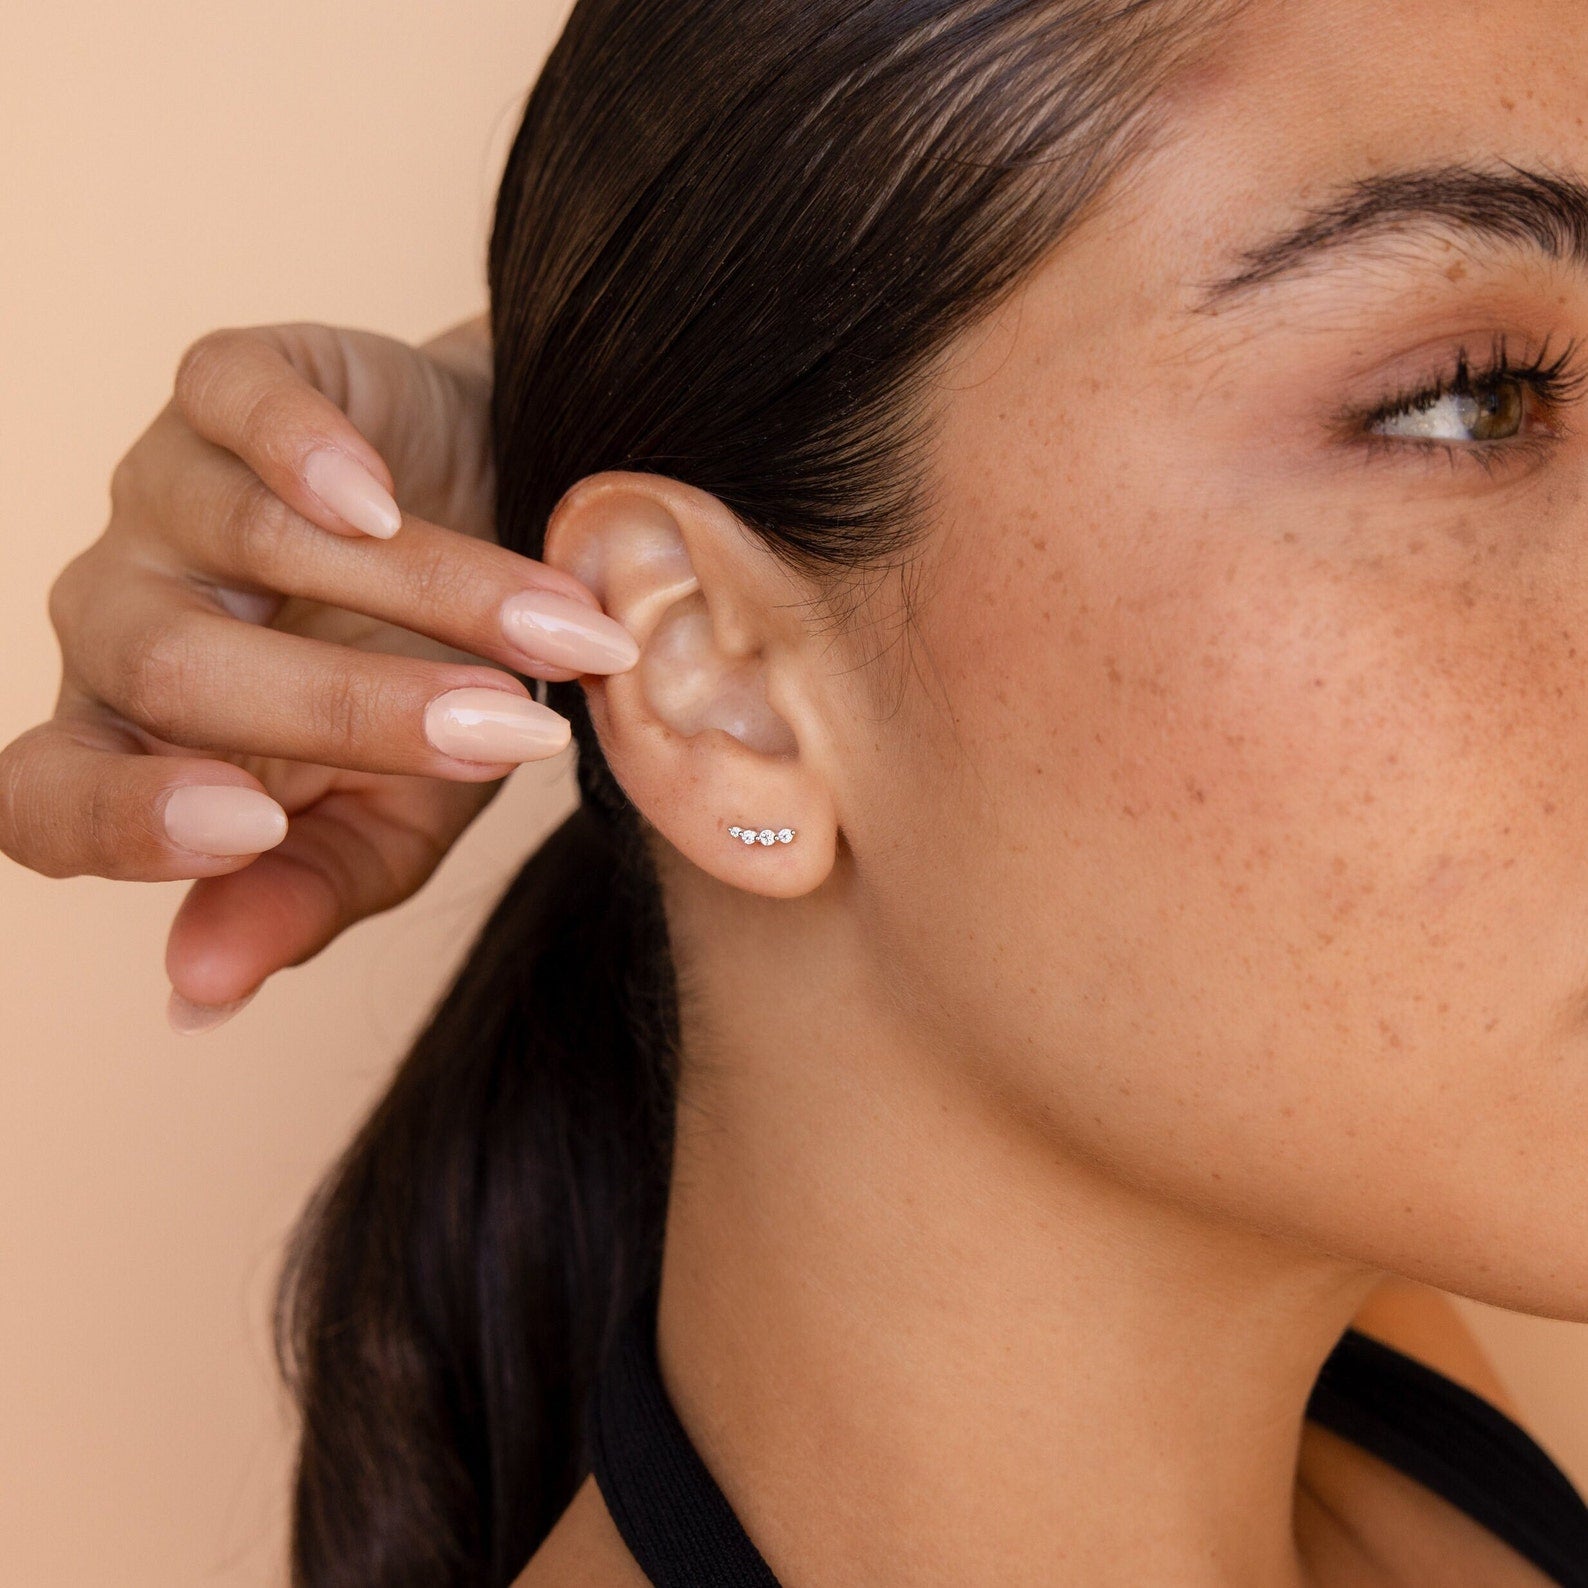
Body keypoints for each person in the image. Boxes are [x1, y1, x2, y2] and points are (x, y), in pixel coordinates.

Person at [8, 0, 1588, 1583]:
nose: (1498, 422)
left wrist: (579, 399)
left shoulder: (1384, 1373)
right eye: (1476, 401)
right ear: (720, 686)